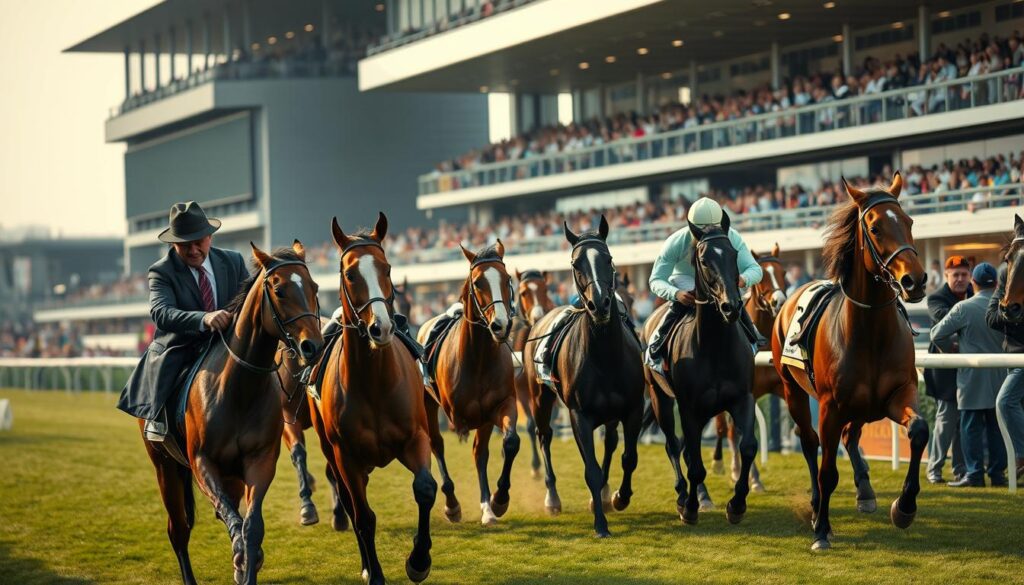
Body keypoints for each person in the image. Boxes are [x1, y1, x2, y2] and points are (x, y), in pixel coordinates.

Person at [118, 202, 250, 440]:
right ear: (172, 244)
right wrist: (204, 318)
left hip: (229, 342)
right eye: (184, 245)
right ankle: (157, 418)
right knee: (170, 361)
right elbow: (161, 312)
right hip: (182, 345)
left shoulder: (234, 261)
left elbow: (249, 303)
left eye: (198, 242)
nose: (193, 250)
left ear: (209, 237)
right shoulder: (161, 271)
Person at [645, 197, 764, 372]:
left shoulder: (732, 236)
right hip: (685, 281)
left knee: (731, 294)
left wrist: (743, 279)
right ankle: (657, 344)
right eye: (702, 232)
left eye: (713, 229)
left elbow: (755, 269)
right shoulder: (676, 241)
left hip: (718, 281)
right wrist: (676, 294)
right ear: (692, 227)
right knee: (680, 300)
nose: (708, 234)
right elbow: (655, 279)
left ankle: (753, 336)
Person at [931, 263, 1008, 487]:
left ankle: (974, 474)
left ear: (972, 283)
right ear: (995, 283)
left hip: (971, 378)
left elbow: (936, 334)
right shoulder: (1004, 306)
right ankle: (997, 474)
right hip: (1001, 376)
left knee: (970, 427)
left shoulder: (963, 308)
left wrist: (952, 348)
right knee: (996, 429)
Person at [925, 255, 972, 484]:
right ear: (946, 276)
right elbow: (945, 321)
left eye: (964, 274)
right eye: (956, 275)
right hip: (944, 369)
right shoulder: (936, 298)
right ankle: (934, 468)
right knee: (946, 419)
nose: (961, 279)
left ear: (970, 276)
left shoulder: (976, 293)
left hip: (969, 367)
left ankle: (960, 469)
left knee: (963, 421)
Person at [987, 263, 1024, 482]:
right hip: (1012, 357)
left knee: (1005, 402)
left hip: (1018, 359)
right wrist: (1012, 314)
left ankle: (1021, 455)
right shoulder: (1006, 273)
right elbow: (991, 317)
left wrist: (1012, 315)